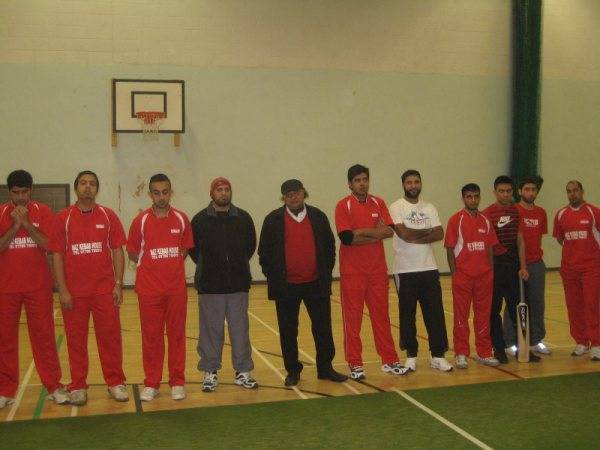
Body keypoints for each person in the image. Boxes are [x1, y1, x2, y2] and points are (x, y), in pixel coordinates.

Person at [259, 179, 348, 386]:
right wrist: (275, 276)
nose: (293, 197)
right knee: (289, 330)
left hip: (316, 283)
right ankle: (293, 370)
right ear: (284, 198)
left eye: (297, 193)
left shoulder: (318, 216)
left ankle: (325, 368)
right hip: (286, 286)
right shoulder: (272, 220)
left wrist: (324, 271)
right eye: (288, 194)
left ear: (303, 193)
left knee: (323, 328)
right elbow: (264, 253)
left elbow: (329, 247)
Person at [50, 170, 128, 406]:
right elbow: (57, 256)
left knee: (111, 339)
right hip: (75, 293)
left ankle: (115, 383)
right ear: (76, 188)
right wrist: (62, 289)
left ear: (97, 189)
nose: (87, 187)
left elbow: (117, 251)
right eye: (83, 183)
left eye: (92, 184)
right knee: (76, 340)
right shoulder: (63, 218)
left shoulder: (108, 216)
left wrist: (118, 284)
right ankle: (78, 386)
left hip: (104, 291)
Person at [0, 170, 68, 409]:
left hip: (38, 286)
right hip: (6, 288)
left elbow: (51, 245)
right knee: (5, 340)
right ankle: (6, 390)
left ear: (31, 190)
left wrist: (26, 224)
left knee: (44, 338)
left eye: (25, 192)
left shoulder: (43, 212)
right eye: (16, 192)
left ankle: (53, 386)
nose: (20, 197)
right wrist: (13, 225)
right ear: (9, 192)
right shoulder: (0, 213)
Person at [334, 164, 408, 380]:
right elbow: (347, 238)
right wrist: (375, 233)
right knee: (353, 320)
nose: (362, 183)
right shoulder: (343, 206)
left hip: (377, 271)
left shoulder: (379, 202)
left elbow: (389, 230)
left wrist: (362, 232)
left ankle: (390, 359)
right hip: (352, 273)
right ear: (350, 184)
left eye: (365, 179)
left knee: (382, 317)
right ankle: (355, 363)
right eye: (357, 180)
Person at [127, 174, 194, 401]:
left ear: (170, 192)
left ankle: (177, 381)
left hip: (176, 290)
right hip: (148, 291)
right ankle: (152, 383)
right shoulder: (140, 221)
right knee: (151, 337)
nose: (161, 196)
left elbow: (184, 250)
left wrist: (169, 267)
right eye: (156, 192)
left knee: (177, 336)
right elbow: (134, 254)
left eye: (165, 192)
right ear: (150, 195)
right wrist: (154, 269)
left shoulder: (182, 219)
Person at [189, 177, 258, 392]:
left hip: (238, 285)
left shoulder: (243, 218)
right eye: (219, 190)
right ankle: (210, 372)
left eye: (227, 189)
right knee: (211, 331)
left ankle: (243, 372)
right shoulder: (199, 220)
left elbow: (250, 246)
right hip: (210, 286)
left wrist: (236, 266)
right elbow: (194, 251)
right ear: (212, 193)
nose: (223, 193)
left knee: (240, 330)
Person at [389, 170, 452, 372]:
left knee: (434, 313)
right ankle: (411, 355)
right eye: (409, 182)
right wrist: (427, 231)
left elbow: (440, 233)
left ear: (420, 184)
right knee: (407, 314)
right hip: (405, 270)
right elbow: (404, 234)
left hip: (429, 267)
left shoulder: (429, 207)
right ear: (403, 185)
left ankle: (438, 355)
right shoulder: (396, 207)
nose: (413, 185)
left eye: (416, 182)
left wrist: (416, 234)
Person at [482, 176, 539, 363]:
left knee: (520, 310)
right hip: (496, 269)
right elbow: (487, 245)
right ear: (495, 192)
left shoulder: (516, 212)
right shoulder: (487, 213)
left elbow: (520, 240)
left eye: (508, 191)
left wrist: (523, 266)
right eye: (501, 191)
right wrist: (489, 270)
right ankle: (498, 349)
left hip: (514, 268)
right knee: (493, 310)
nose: (505, 194)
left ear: (512, 192)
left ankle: (523, 349)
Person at [445, 183, 500, 369]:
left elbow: (490, 247)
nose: (473, 200)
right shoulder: (456, 220)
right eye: (469, 197)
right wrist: (455, 273)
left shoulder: (485, 220)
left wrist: (490, 271)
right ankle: (461, 353)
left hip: (484, 276)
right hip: (463, 277)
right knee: (461, 316)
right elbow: (450, 249)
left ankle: (484, 352)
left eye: (476, 196)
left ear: (480, 197)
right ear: (463, 198)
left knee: (483, 315)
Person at [503, 176, 550, 355]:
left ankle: (535, 340)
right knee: (513, 302)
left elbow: (538, 237)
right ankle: (509, 341)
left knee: (537, 303)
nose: (530, 192)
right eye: (527, 189)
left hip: (536, 263)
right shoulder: (513, 211)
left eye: (534, 189)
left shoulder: (541, 213)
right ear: (520, 191)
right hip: (515, 264)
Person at [553, 180, 600, 361]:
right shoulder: (561, 215)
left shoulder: (594, 212)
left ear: (582, 191)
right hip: (569, 269)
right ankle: (581, 341)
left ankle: (596, 343)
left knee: (592, 305)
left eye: (575, 190)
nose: (572, 194)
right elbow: (560, 238)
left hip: (591, 268)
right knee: (574, 306)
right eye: (569, 191)